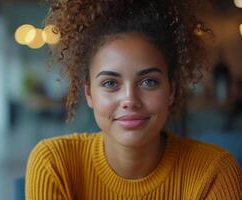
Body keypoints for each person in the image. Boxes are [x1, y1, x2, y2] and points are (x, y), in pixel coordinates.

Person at [25, 0, 242, 199]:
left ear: (172, 90)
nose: (130, 100)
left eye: (149, 82)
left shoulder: (214, 172)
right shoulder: (54, 163)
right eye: (110, 83)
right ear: (89, 94)